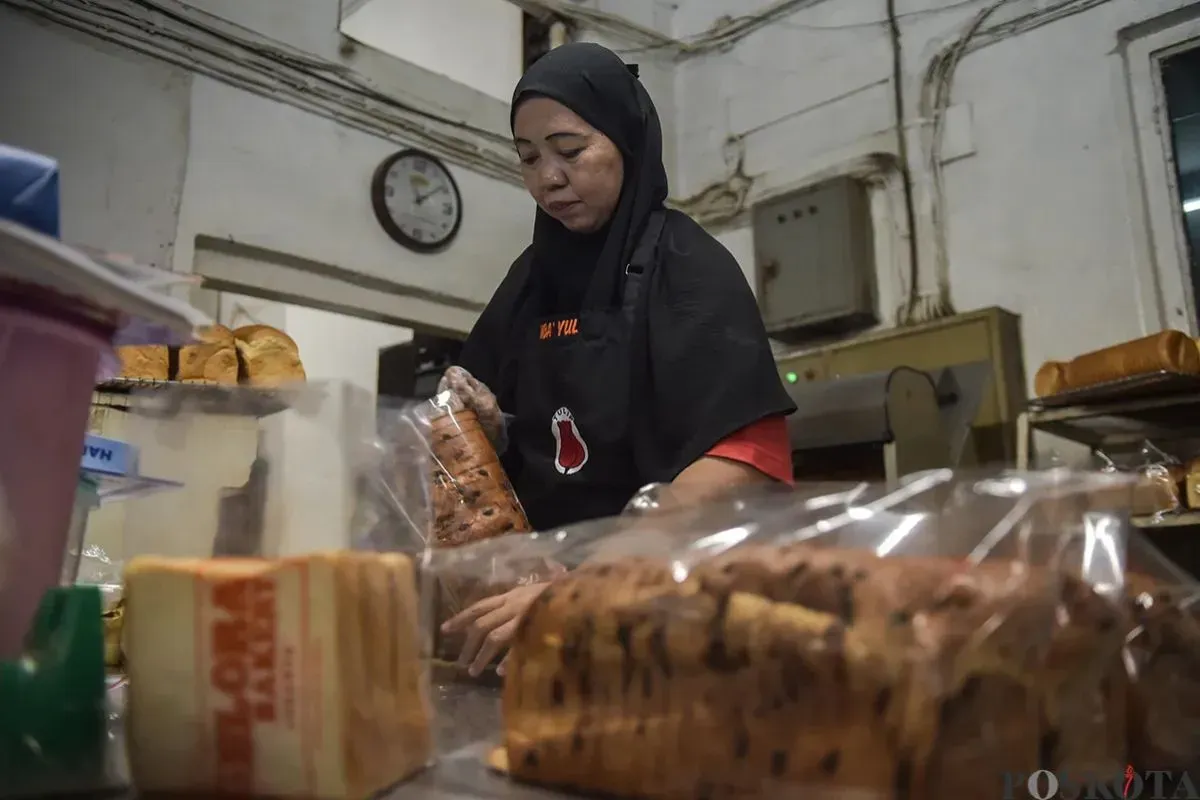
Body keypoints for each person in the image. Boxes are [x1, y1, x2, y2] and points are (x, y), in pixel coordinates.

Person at [438, 42, 796, 676]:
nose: (548, 177)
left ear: (627, 142)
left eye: (570, 151)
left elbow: (746, 463)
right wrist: (491, 430)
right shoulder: (529, 283)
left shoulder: (689, 269)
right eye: (528, 158)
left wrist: (587, 584)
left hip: (664, 616)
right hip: (534, 619)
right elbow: (481, 460)